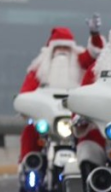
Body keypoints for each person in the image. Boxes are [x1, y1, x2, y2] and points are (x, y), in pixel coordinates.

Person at [18, 17, 104, 164]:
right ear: (52, 50)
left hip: (74, 118)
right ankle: (29, 165)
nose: (62, 52)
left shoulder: (80, 62)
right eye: (59, 48)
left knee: (93, 135)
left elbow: (95, 54)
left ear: (72, 49)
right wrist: (24, 104)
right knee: (30, 133)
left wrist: (95, 35)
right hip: (47, 119)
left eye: (66, 48)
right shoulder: (39, 68)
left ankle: (92, 169)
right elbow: (26, 91)